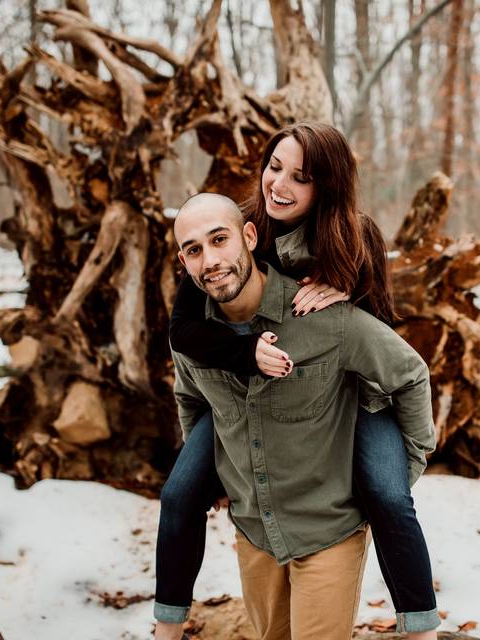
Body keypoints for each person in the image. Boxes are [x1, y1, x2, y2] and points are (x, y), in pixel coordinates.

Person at [155, 122, 439, 639]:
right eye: (274, 167)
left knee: (388, 495)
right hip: (251, 384)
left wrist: (340, 289)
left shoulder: (357, 236)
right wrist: (244, 354)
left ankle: (420, 626)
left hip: (360, 392)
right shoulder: (237, 230)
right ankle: (167, 624)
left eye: (300, 177)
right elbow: (184, 328)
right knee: (179, 493)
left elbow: (388, 347)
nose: (279, 184)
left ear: (326, 186)